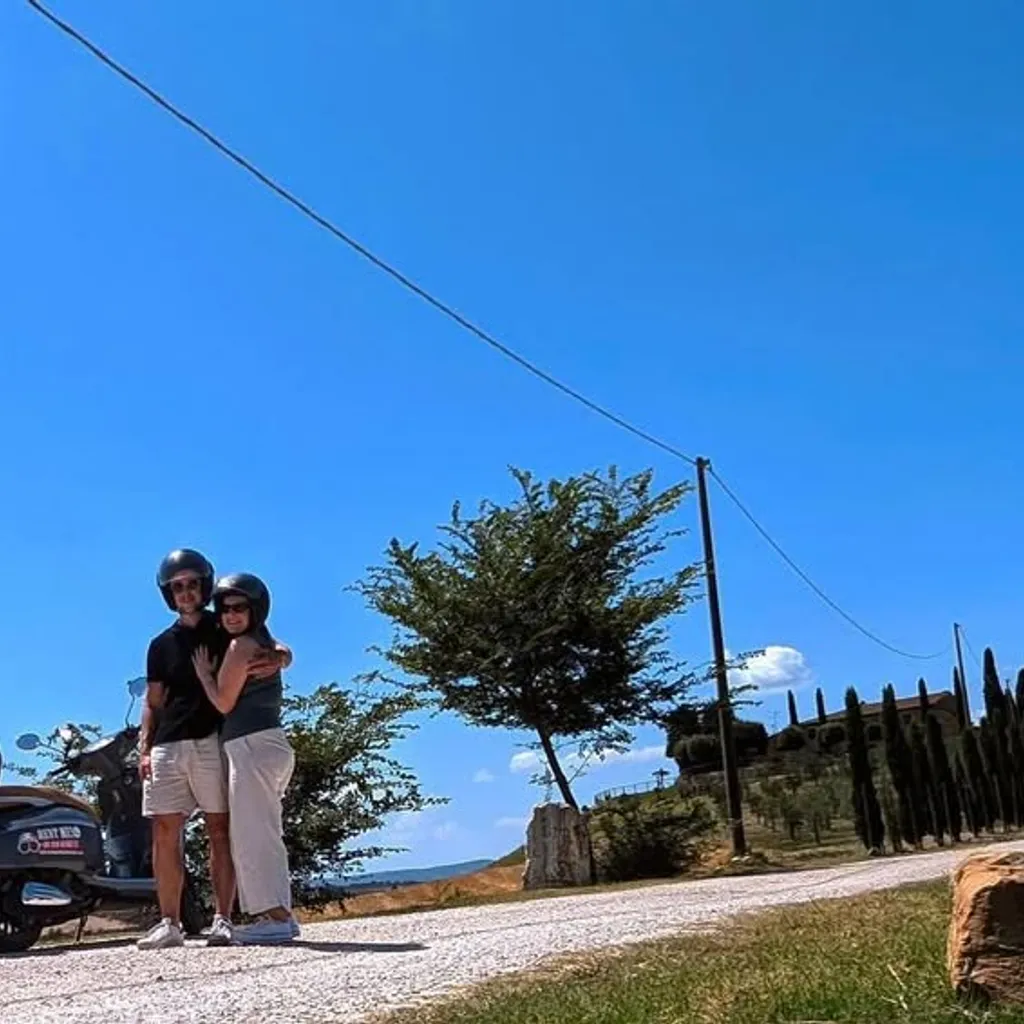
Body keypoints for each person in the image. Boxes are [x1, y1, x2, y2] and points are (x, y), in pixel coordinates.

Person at [137, 549, 291, 951]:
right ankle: (169, 922)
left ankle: (223, 919)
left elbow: (267, 641)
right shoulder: (159, 645)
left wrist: (282, 656)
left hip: (214, 741)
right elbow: (152, 701)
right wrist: (144, 748)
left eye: (192, 583)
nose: (186, 592)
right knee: (164, 832)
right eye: (177, 586)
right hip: (168, 745)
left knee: (221, 832)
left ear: (204, 585)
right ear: (168, 593)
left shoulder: (223, 627)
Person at [192, 572, 299, 945]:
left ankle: (274, 917)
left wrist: (205, 676)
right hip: (267, 743)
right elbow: (283, 649)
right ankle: (281, 913)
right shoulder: (264, 642)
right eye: (224, 608)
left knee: (253, 835)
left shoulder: (240, 647)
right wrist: (284, 656)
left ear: (255, 609)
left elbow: (223, 701)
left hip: (251, 745)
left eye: (240, 607)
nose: (231, 614)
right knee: (266, 831)